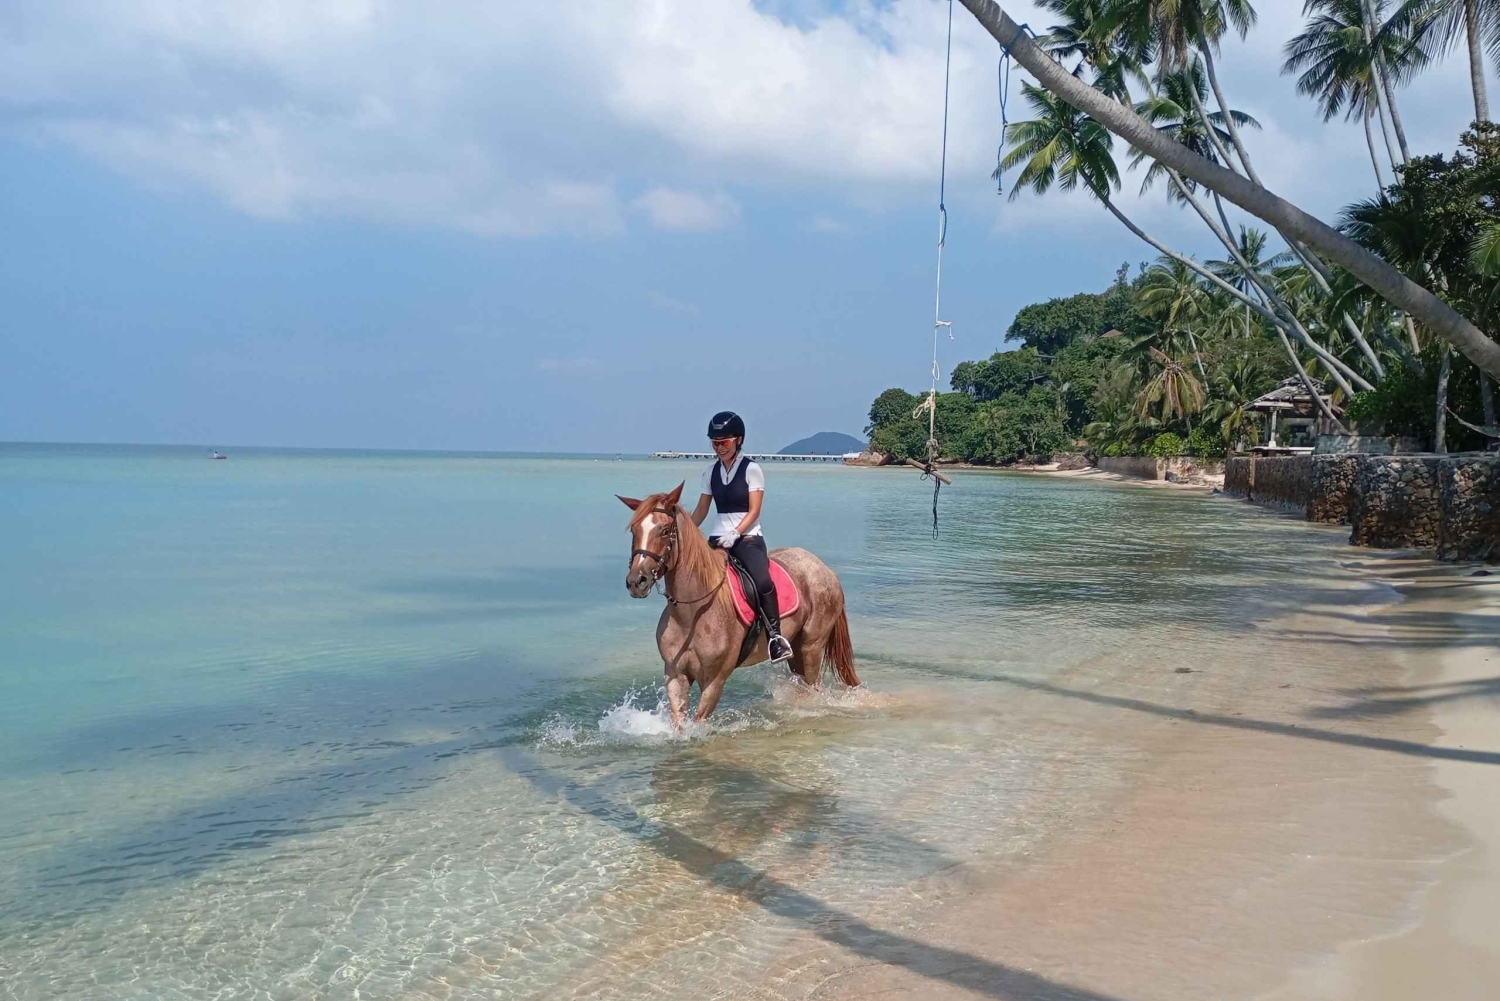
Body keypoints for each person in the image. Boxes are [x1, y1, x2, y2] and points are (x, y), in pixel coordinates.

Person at [690, 411, 793, 663]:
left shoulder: (752, 469)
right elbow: (702, 509)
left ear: (738, 440)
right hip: (717, 539)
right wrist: (687, 531)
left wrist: (736, 532)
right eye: (715, 443)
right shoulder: (709, 472)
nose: (719, 448)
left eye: (724, 442)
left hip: (747, 538)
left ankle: (775, 638)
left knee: (762, 582)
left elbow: (754, 510)